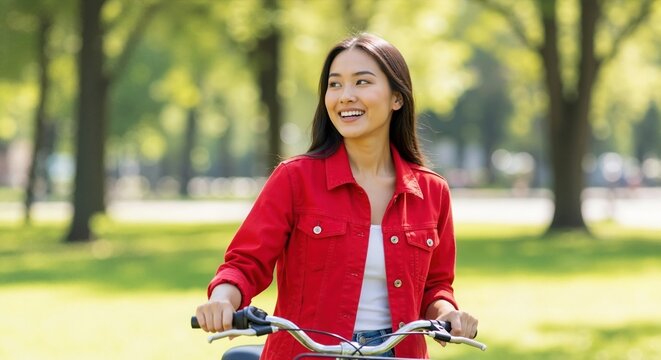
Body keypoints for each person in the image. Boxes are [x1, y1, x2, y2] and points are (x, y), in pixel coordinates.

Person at [195, 33, 478, 359]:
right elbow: (245, 265)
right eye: (335, 84)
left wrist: (447, 315)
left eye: (362, 82)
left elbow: (435, 286)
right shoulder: (295, 178)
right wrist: (222, 300)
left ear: (397, 98)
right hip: (308, 352)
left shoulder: (432, 192)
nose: (345, 96)